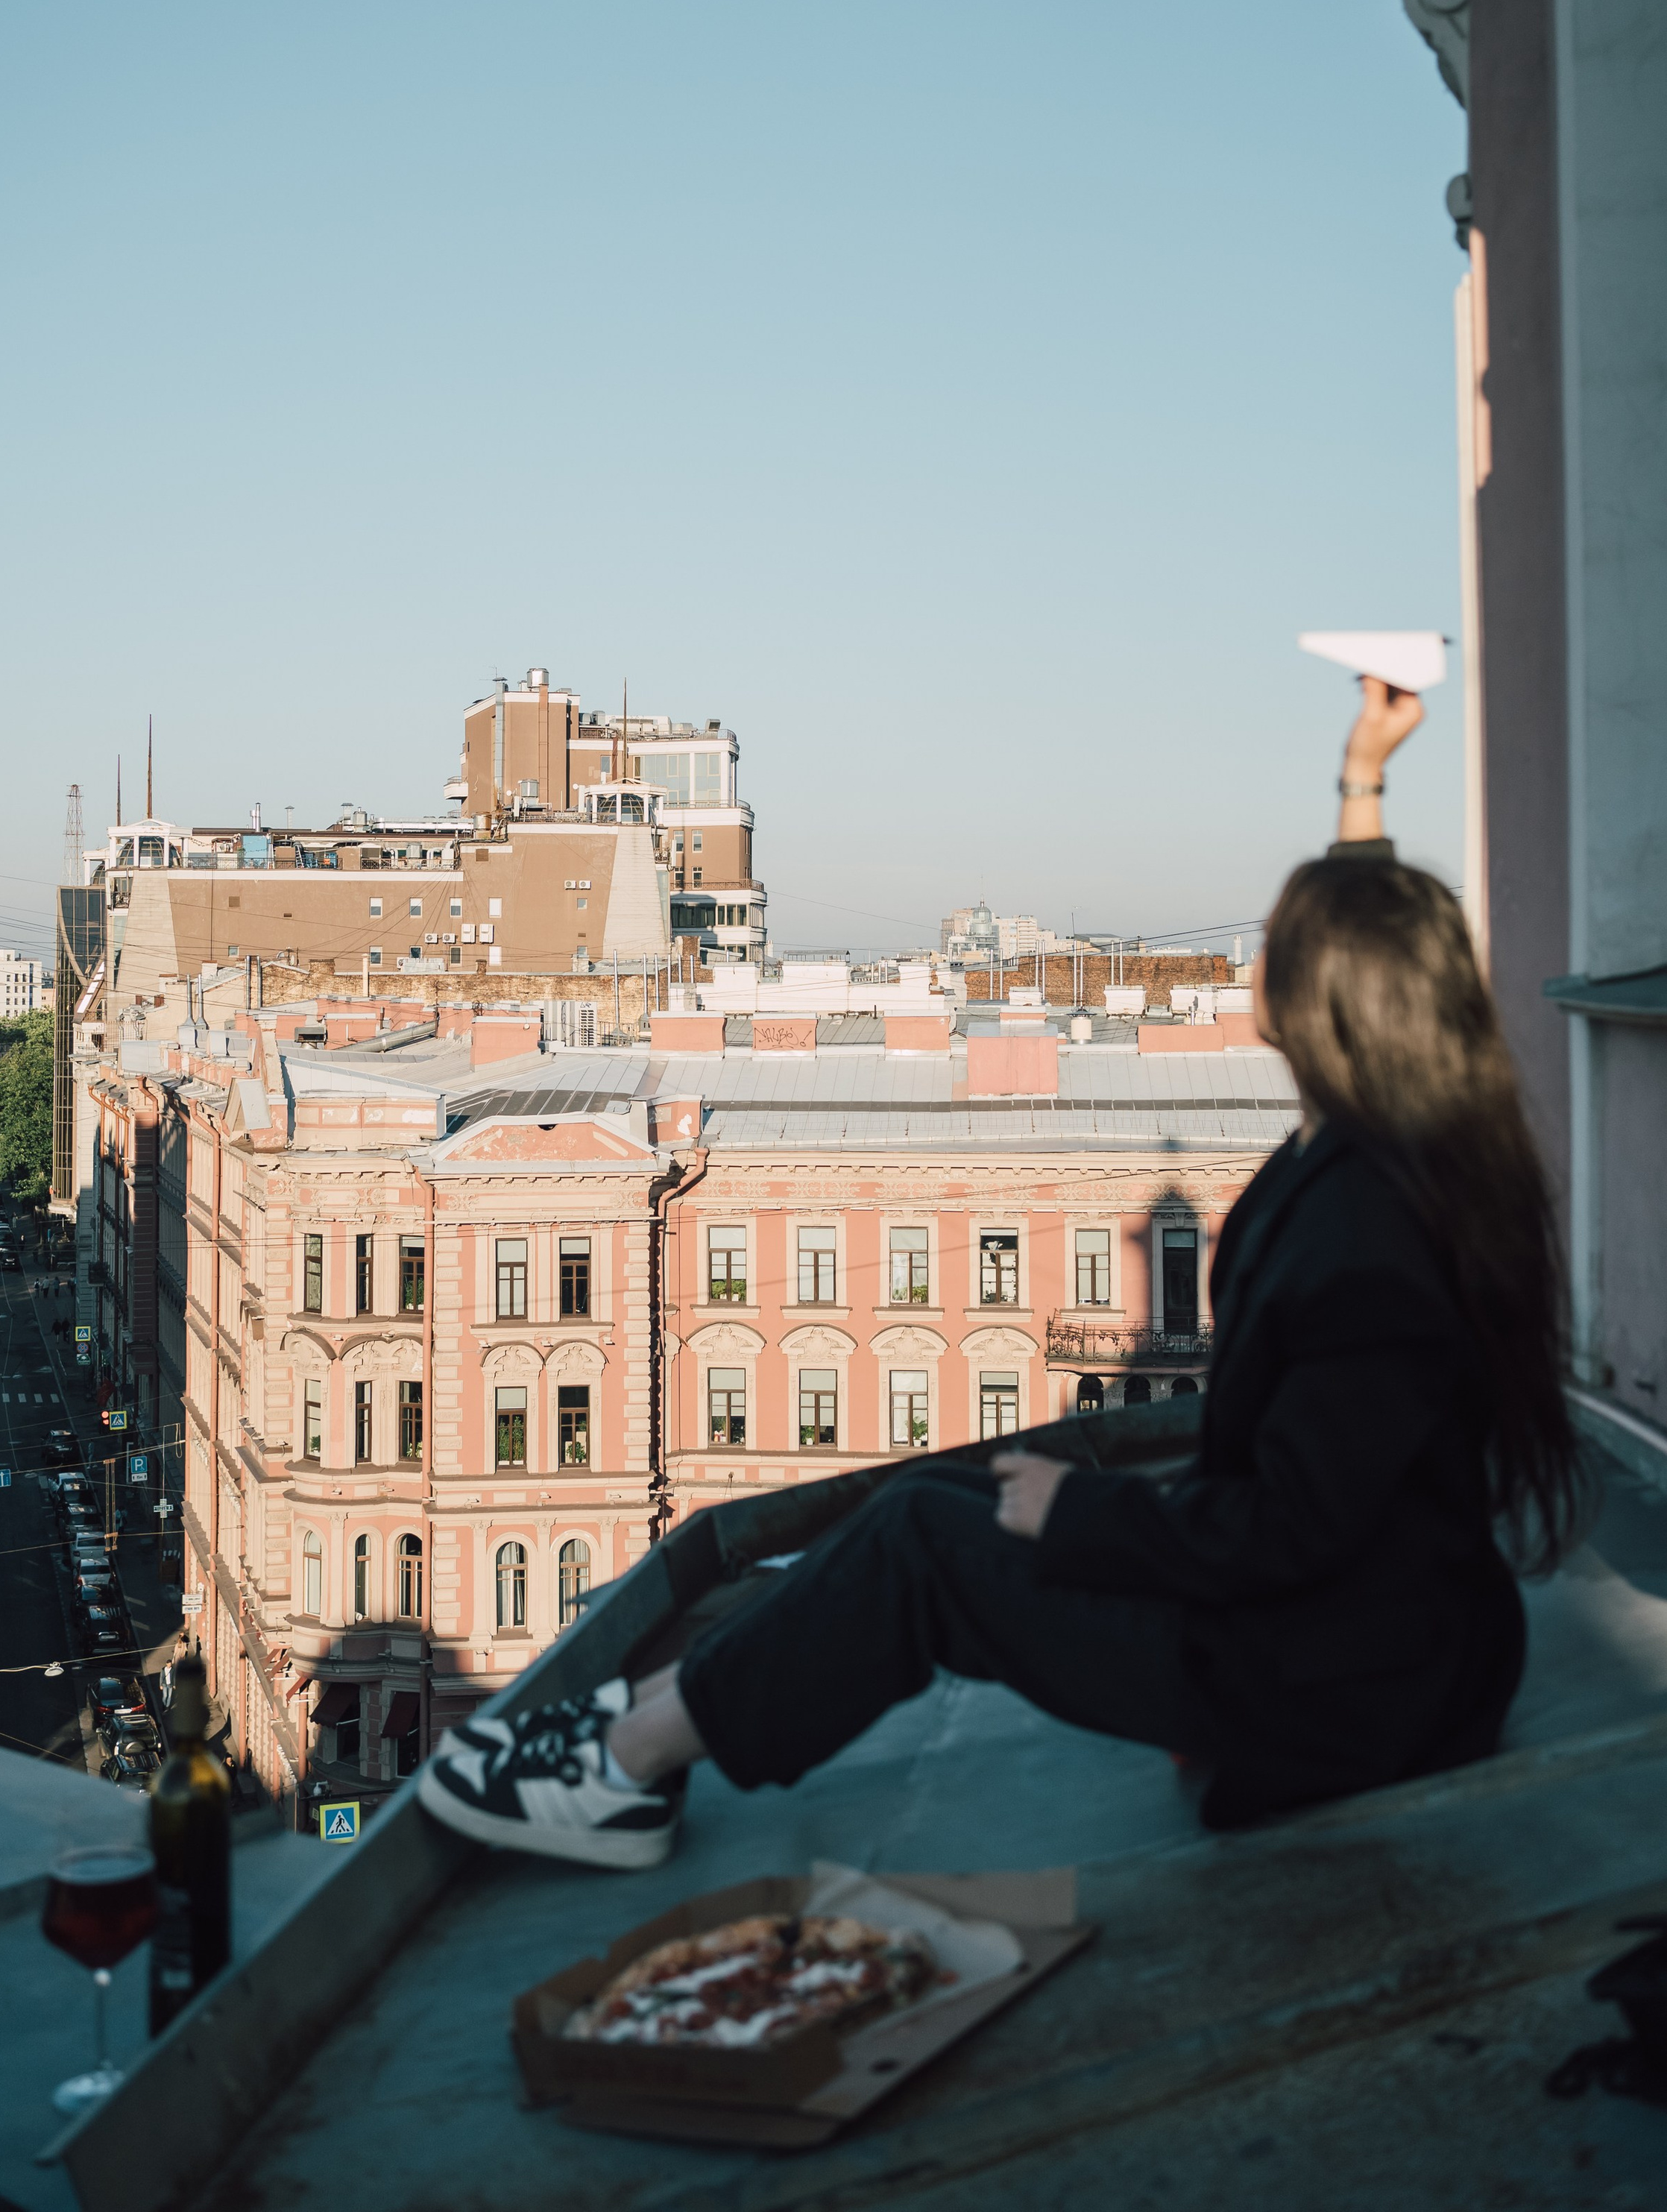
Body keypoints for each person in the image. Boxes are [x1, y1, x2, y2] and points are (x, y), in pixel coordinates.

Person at [418, 679, 1588, 1868]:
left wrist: (1082, 1512)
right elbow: (1381, 932)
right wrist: (1362, 776)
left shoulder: (1369, 1246)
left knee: (927, 1547)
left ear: (1330, 1006)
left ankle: (619, 1776)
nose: (1254, 964)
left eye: (1278, 949)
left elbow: (1295, 1529)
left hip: (1336, 1692)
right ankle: (636, 1729)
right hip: (1355, 1643)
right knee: (936, 1502)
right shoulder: (1403, 1142)